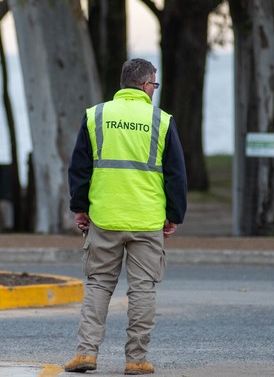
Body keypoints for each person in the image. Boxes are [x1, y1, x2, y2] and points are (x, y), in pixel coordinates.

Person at [65, 58, 187, 375]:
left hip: (104, 216)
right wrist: (173, 215)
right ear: (146, 85)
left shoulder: (96, 116)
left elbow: (80, 168)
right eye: (154, 85)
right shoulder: (161, 120)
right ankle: (135, 360)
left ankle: (86, 354)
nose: (154, 91)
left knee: (98, 286)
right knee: (142, 289)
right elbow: (176, 174)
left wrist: (80, 208)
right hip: (147, 220)